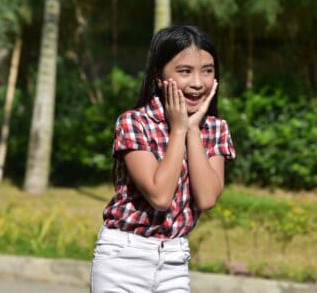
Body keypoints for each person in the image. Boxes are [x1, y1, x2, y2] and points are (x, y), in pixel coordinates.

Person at [90, 25, 236, 293]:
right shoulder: (134, 123)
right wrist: (178, 128)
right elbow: (159, 196)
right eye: (184, 71)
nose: (197, 83)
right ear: (159, 75)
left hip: (175, 260)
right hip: (123, 258)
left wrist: (193, 129)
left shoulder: (215, 129)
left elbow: (206, 198)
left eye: (207, 70)